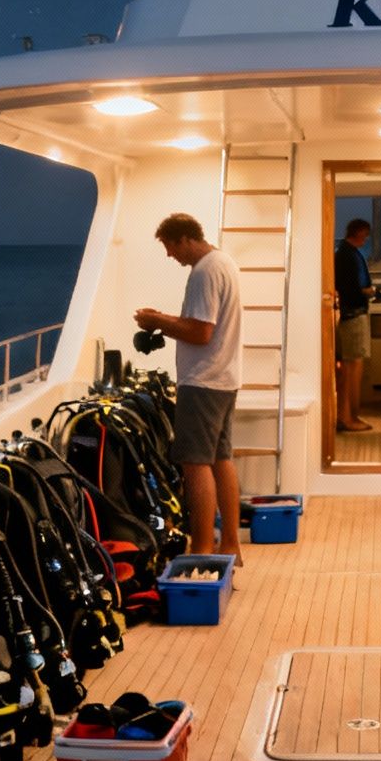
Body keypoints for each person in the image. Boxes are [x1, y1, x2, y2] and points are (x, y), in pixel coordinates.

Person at [134, 213, 244, 562]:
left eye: (170, 247)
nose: (170, 256)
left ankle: (201, 551)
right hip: (226, 379)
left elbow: (201, 332)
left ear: (184, 240)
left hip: (203, 382)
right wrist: (165, 319)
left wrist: (157, 321)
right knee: (221, 459)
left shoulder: (204, 271)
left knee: (195, 464)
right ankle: (230, 544)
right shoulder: (225, 262)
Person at [334, 217, 374, 433]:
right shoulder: (349, 256)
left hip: (348, 314)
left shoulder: (344, 253)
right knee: (351, 368)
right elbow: (353, 287)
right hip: (353, 315)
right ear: (360, 233)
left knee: (348, 368)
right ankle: (348, 418)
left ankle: (346, 415)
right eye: (366, 235)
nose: (366, 239)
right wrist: (367, 291)